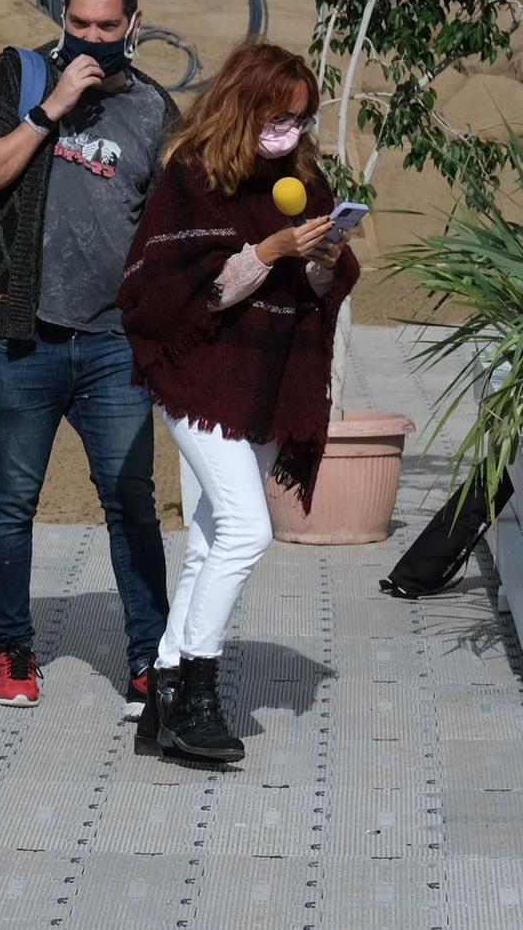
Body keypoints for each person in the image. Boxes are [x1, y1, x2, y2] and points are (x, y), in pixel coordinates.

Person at [118, 42, 357, 763]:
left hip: (264, 377)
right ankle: (197, 693)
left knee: (212, 541)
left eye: (303, 118)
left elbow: (322, 296)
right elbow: (175, 296)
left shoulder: (302, 176)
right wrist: (267, 251)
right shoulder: (190, 178)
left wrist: (320, 262)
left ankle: (161, 702)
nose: (292, 130)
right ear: (245, 105)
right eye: (281, 116)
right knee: (249, 533)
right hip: (195, 373)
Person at [0, 0, 177, 713]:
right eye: (78, 24)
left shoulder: (153, 108)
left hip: (114, 345)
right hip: (25, 335)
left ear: (134, 26)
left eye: (107, 27)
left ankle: (149, 657)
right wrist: (51, 108)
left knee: (131, 503)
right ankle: (13, 651)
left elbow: (171, 228)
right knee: (13, 498)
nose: (92, 37)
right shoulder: (21, 83)